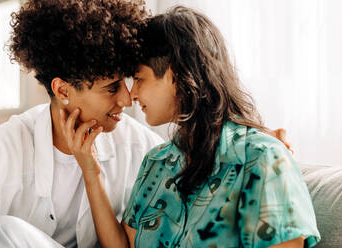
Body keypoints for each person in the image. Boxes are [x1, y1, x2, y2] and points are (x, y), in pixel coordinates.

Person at [62, 6, 320, 248]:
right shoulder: (156, 162)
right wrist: (91, 172)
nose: (133, 95)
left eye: (139, 79)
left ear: (177, 76)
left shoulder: (262, 159)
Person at [0, 1, 160, 247]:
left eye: (125, 83)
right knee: (0, 232)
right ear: (62, 90)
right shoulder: (12, 142)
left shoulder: (139, 144)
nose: (127, 100)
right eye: (111, 88)